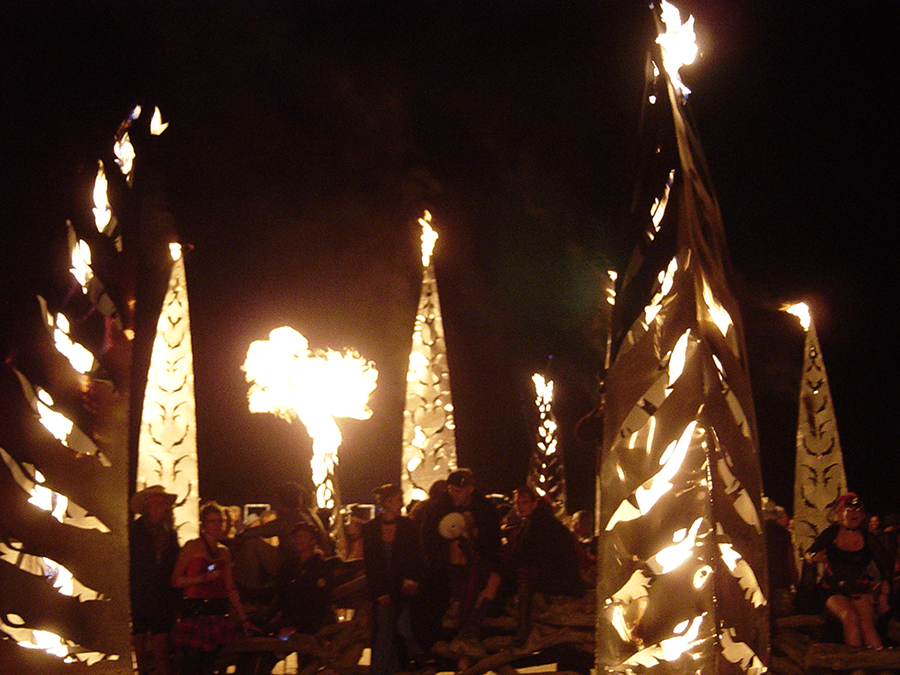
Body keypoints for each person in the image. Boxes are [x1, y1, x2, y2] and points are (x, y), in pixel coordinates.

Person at [420, 468, 502, 655]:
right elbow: (428, 539)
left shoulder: (484, 508)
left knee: (492, 582)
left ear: (470, 490)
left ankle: (471, 628)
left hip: (479, 561)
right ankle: (455, 603)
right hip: (446, 564)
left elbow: (492, 540)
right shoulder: (439, 507)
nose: (453, 494)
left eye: (458, 491)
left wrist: (474, 530)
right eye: (451, 490)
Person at [172, 501, 252, 675]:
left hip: (217, 611)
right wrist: (202, 578)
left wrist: (243, 618)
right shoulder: (192, 547)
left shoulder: (224, 552)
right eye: (212, 521)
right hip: (196, 611)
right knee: (193, 664)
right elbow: (175, 580)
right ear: (203, 524)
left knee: (211, 663)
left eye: (219, 521)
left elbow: (230, 588)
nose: (216, 525)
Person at [805, 493, 891, 648]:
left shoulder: (868, 538)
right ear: (840, 513)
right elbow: (809, 553)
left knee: (867, 625)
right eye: (849, 509)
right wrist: (813, 557)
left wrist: (884, 596)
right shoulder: (831, 533)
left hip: (857, 588)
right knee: (850, 617)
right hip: (832, 588)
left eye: (857, 510)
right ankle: (854, 661)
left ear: (863, 515)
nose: (853, 514)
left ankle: (881, 660)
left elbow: (885, 568)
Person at [505, 486, 585, 643]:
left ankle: (523, 632)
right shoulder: (531, 522)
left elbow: (538, 556)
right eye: (517, 503)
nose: (520, 507)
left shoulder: (540, 524)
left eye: (524, 502)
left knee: (525, 584)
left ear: (534, 503)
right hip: (552, 573)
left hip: (558, 577)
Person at [363, 483, 425, 675]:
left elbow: (416, 557)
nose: (401, 503)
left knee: (405, 627)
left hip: (404, 587)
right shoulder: (371, 528)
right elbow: (371, 564)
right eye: (397, 500)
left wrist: (412, 579)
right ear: (387, 502)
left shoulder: (408, 526)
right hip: (384, 588)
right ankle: (384, 670)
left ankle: (418, 659)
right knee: (384, 630)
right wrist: (380, 591)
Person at [130, 485, 180, 675]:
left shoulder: (170, 533)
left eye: (164, 504)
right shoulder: (134, 531)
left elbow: (174, 563)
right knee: (140, 639)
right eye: (157, 503)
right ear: (147, 505)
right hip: (140, 592)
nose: (161, 507)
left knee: (162, 643)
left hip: (162, 593)